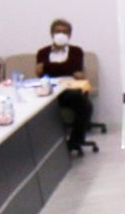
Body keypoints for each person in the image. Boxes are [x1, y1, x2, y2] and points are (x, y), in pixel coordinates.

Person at [38, 17, 97, 154]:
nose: (61, 34)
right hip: (49, 89)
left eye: (65, 32)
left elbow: (75, 69)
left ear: (69, 35)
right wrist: (66, 69)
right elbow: (41, 73)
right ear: (52, 34)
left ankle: (75, 142)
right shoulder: (42, 52)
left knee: (84, 104)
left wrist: (47, 67)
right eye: (57, 31)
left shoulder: (76, 51)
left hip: (69, 89)